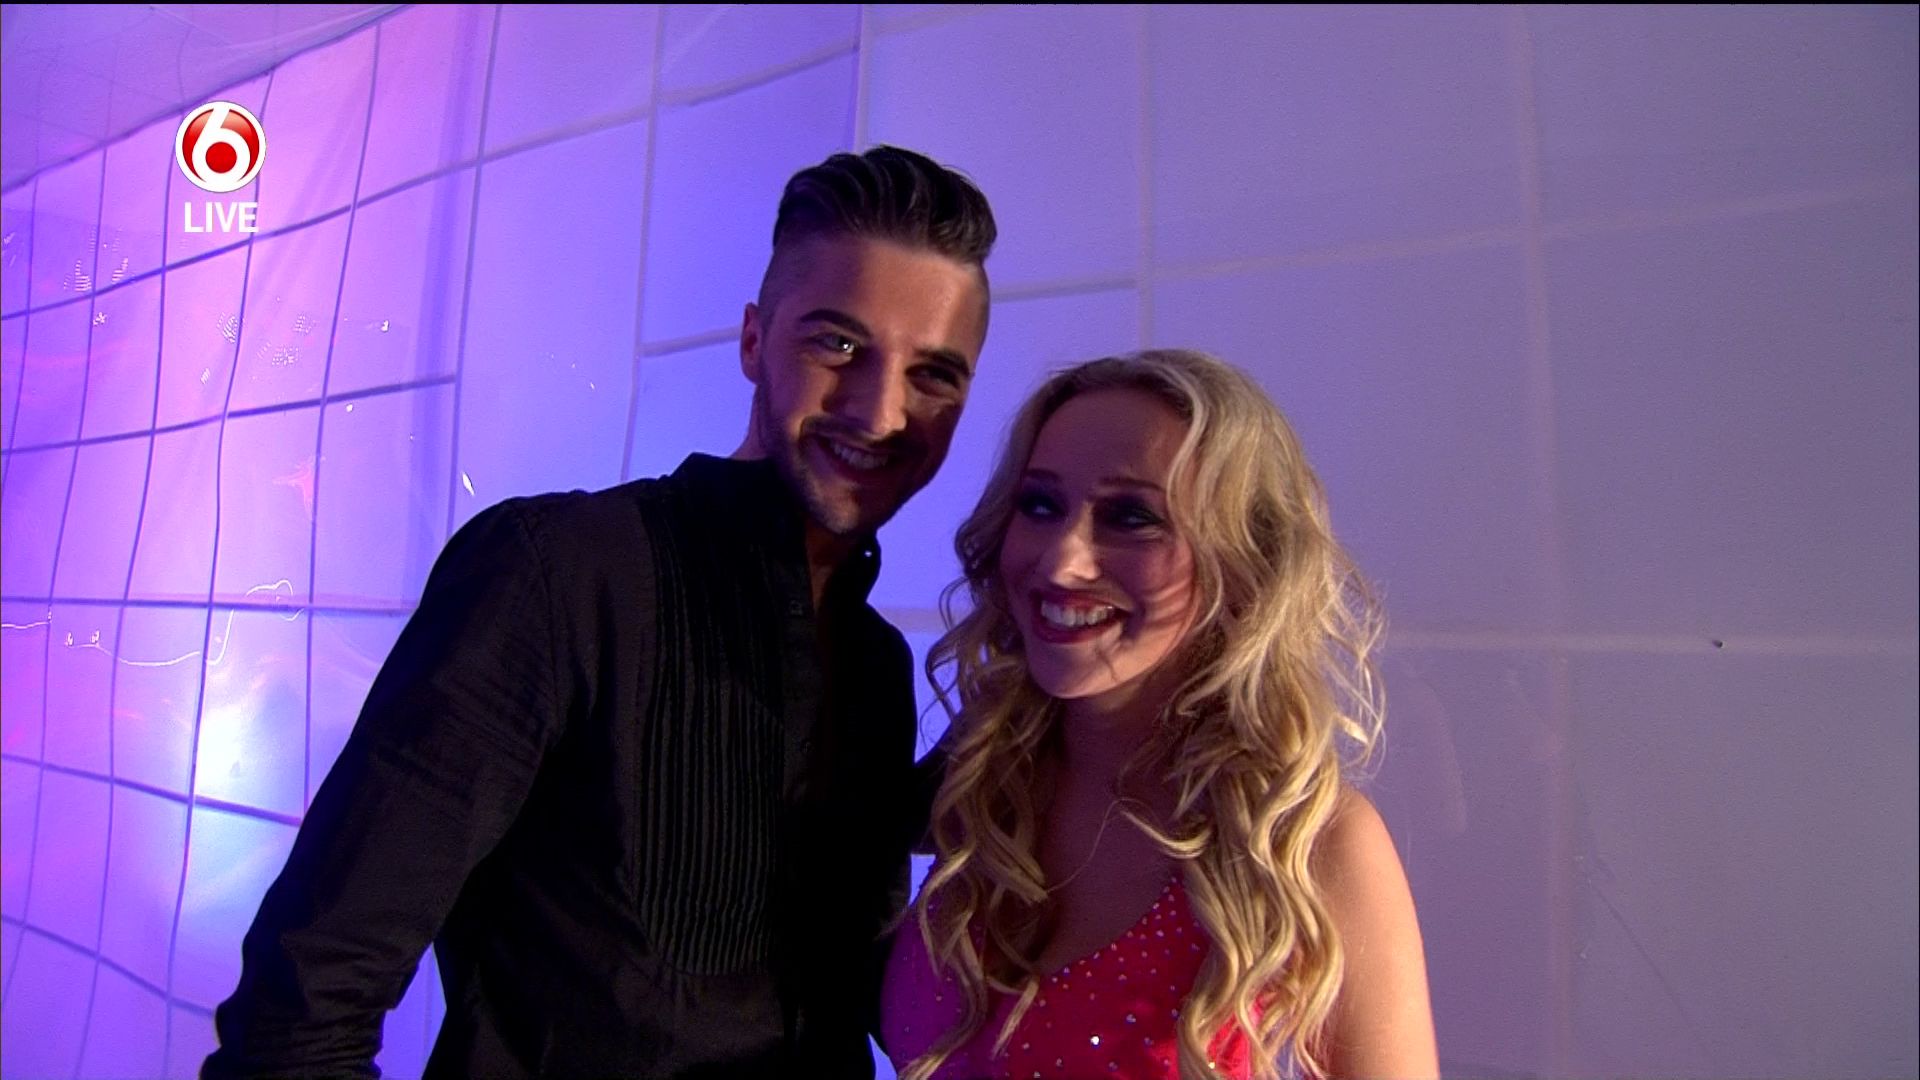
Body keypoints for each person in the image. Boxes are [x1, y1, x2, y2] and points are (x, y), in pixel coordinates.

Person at [203, 145, 996, 1079]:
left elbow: (851, 984)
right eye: (839, 345)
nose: (880, 411)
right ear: (753, 341)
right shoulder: (561, 574)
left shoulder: (875, 665)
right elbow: (301, 1008)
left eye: (934, 375)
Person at [878, 350, 1438, 1079]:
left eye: (1132, 518)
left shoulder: (1308, 842)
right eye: (1040, 505)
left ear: (1243, 563)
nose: (1062, 561)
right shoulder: (980, 786)